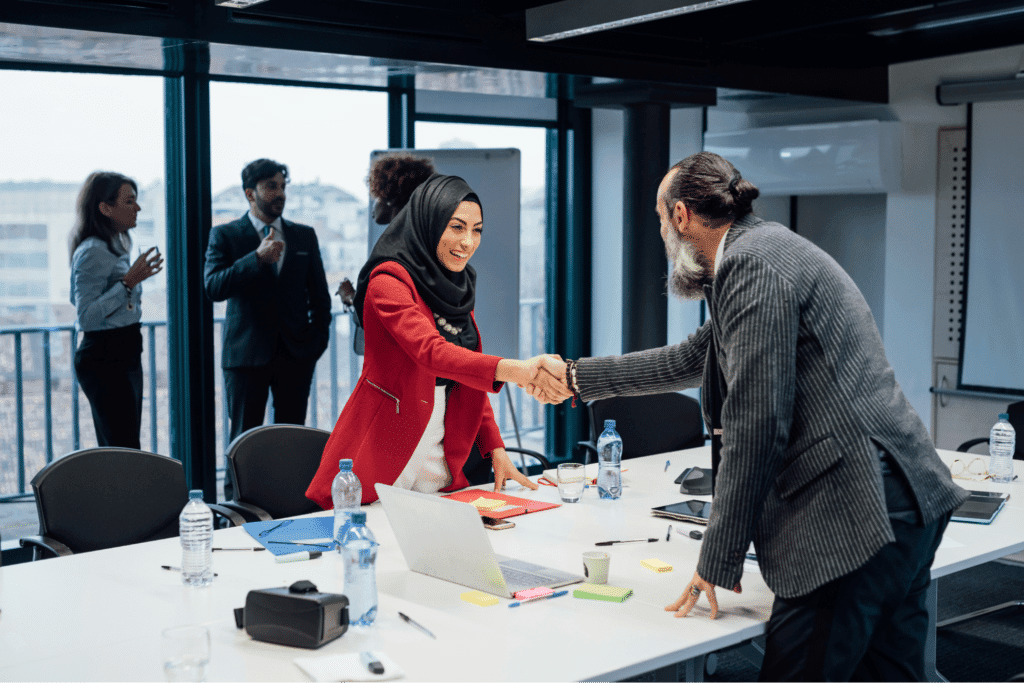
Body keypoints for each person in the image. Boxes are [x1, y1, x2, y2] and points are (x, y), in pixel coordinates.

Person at [530, 152, 970, 682]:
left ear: (681, 216)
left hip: (854, 512)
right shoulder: (763, 252)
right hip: (902, 500)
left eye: (658, 215)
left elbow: (756, 426)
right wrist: (576, 377)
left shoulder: (751, 264)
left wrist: (718, 556)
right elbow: (692, 358)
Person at [305, 172, 546, 507]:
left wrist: (495, 449)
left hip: (440, 444)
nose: (468, 242)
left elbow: (465, 369)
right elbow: (431, 353)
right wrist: (518, 371)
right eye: (457, 227)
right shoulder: (387, 282)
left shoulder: (455, 286)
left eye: (476, 230)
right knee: (375, 545)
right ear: (428, 222)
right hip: (388, 440)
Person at [204, 159, 332, 496]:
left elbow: (320, 298)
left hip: (296, 354)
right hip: (246, 357)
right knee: (244, 440)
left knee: (291, 438)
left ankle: (288, 500)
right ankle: (237, 508)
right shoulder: (226, 235)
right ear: (250, 193)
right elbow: (213, 287)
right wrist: (256, 260)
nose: (280, 194)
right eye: (271, 186)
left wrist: (314, 345)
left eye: (282, 186)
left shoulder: (304, 235)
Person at [69, 171, 163, 449]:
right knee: (121, 447)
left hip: (124, 351)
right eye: (130, 201)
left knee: (125, 443)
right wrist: (128, 282)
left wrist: (129, 283)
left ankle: (125, 492)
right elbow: (85, 316)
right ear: (106, 208)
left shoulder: (118, 244)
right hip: (105, 357)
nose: (138, 208)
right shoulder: (92, 251)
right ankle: (121, 493)